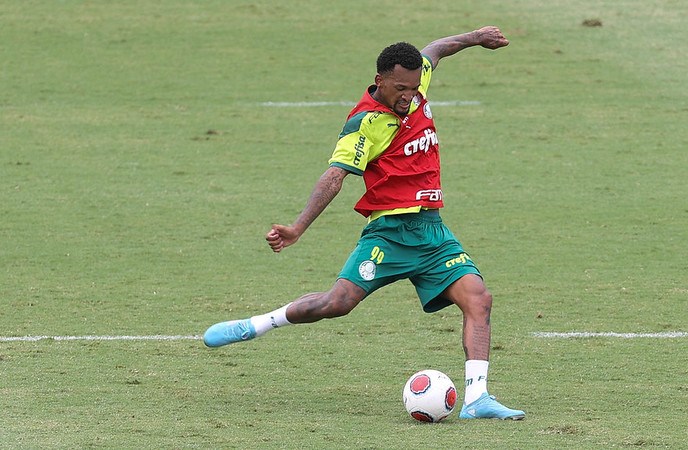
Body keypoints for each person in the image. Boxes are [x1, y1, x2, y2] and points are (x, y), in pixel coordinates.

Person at [203, 26, 524, 420]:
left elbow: (437, 48)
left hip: (433, 232)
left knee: (479, 299)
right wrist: (298, 228)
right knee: (336, 304)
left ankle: (477, 401)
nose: (408, 96)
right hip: (389, 235)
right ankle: (258, 324)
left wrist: (477, 37)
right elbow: (334, 177)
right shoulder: (364, 123)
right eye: (400, 88)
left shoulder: (416, 76)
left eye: (413, 88)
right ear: (380, 81)